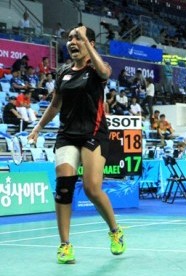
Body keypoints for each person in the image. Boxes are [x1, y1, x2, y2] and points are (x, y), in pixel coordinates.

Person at [27, 25, 126, 265]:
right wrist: (38, 127)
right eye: (70, 38)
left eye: (78, 38)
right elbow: (55, 104)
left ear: (89, 43)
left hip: (93, 134)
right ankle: (65, 245)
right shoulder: (63, 73)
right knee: (64, 186)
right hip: (67, 135)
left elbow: (104, 73)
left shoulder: (96, 69)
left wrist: (87, 42)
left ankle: (115, 231)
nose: (72, 41)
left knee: (92, 188)